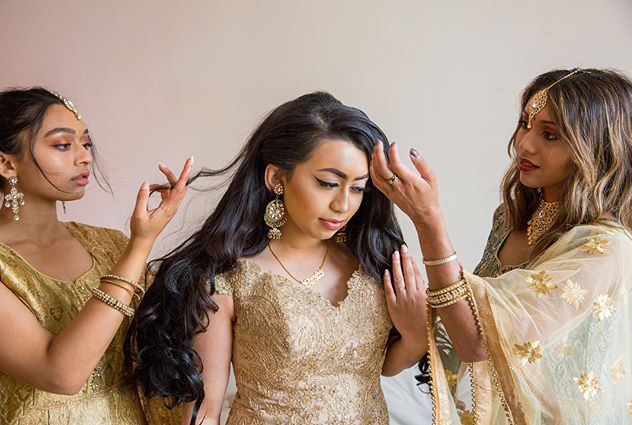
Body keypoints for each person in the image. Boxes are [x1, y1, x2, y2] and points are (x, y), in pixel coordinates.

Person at [125, 92, 429, 424]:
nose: (344, 205)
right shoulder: (229, 278)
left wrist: (414, 334)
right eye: (328, 183)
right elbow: (204, 413)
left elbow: (379, 366)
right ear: (276, 178)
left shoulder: (373, 263)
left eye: (358, 188)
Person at [370, 68, 632, 424]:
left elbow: (478, 343)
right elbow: (467, 321)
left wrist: (428, 220)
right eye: (525, 123)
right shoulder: (511, 217)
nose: (525, 143)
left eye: (550, 134)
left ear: (598, 147)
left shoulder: (607, 250)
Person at [0, 87, 192, 424]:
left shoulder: (110, 244)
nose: (85, 156)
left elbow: (163, 344)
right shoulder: (128, 249)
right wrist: (141, 245)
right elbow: (60, 374)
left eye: (85, 143)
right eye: (62, 145)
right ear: (5, 162)